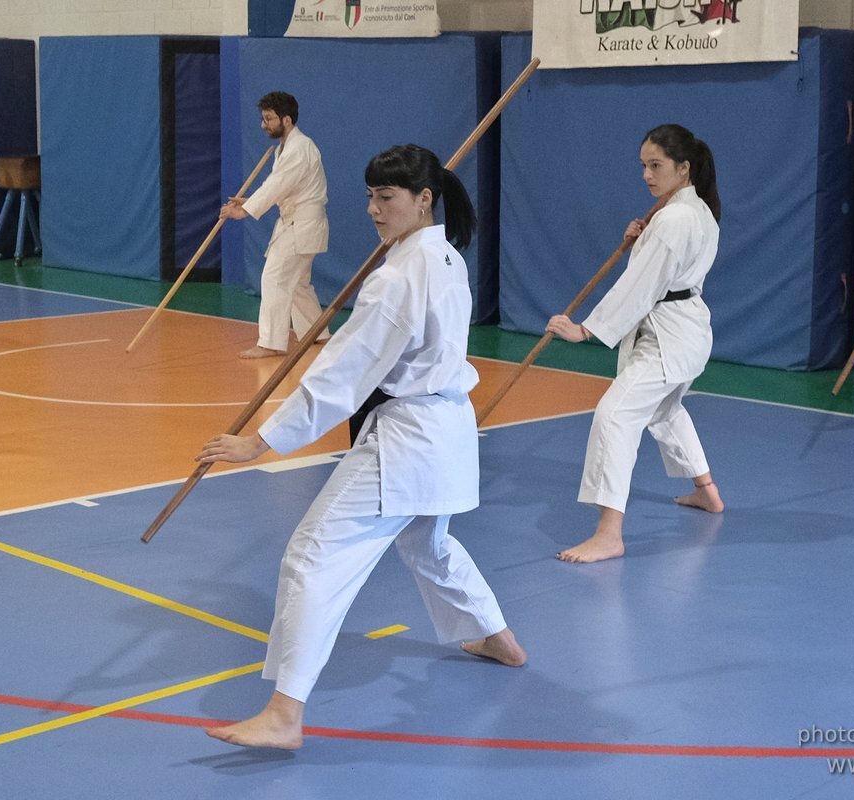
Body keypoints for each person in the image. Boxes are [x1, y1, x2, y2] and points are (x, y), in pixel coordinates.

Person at [199, 144, 525, 749]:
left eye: (388, 197)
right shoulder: (445, 257)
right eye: (371, 197)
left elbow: (343, 376)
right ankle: (494, 635)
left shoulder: (399, 276)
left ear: (425, 199)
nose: (374, 210)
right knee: (428, 541)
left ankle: (284, 714)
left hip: (405, 440)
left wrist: (261, 443)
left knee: (311, 556)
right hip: (445, 433)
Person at [546, 123, 724, 564]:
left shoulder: (674, 218)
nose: (647, 174)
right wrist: (640, 241)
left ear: (683, 168)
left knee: (614, 416)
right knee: (665, 411)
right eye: (643, 166)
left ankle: (609, 534)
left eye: (656, 165)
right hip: (686, 333)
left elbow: (642, 285)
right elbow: (660, 270)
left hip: (668, 338)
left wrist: (586, 329)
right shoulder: (696, 209)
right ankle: (707, 492)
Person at [221, 91, 330, 359]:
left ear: (287, 119)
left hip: (301, 223)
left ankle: (270, 343)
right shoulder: (288, 148)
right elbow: (284, 188)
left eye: (269, 119)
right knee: (298, 284)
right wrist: (249, 200)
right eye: (263, 118)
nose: (263, 125)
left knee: (276, 278)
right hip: (298, 221)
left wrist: (246, 210)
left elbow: (276, 186)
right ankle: (316, 333)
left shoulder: (299, 148)